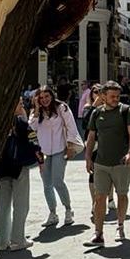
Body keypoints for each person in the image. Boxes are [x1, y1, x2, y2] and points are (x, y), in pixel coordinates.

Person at [82, 82, 130, 246]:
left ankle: (120, 226)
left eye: (117, 96)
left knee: (122, 194)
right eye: (112, 96)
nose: (115, 99)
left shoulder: (126, 111)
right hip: (101, 162)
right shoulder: (96, 113)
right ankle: (98, 234)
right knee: (99, 198)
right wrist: (88, 157)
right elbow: (91, 137)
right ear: (103, 96)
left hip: (121, 162)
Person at [28, 86, 80, 228]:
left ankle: (68, 209)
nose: (45, 100)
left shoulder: (61, 108)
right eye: (41, 98)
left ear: (52, 95)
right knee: (46, 184)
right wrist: (37, 110)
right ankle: (52, 212)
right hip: (43, 152)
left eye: (47, 96)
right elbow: (31, 129)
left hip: (59, 149)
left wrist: (70, 146)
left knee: (58, 180)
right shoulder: (36, 113)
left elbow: (71, 127)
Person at [0, 109, 40, 253]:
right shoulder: (19, 122)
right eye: (19, 103)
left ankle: (2, 241)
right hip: (19, 166)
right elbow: (33, 140)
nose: (22, 106)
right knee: (21, 204)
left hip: (1, 168)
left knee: (3, 205)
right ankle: (18, 239)